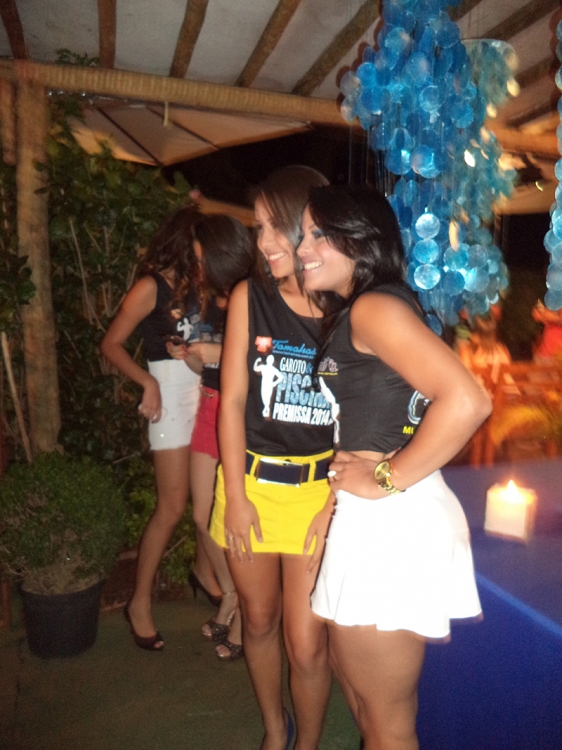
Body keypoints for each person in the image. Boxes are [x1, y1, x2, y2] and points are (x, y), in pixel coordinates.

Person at [297, 184, 492, 750]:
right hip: (374, 518)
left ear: (360, 241)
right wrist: (336, 502)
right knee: (367, 708)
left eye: (318, 234)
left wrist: (385, 480)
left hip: (392, 524)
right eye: (303, 234)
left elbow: (468, 401)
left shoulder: (374, 307)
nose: (303, 248)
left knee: (385, 722)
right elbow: (363, 427)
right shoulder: (364, 308)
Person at [209, 166, 334, 750]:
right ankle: (274, 728)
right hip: (251, 484)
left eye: (274, 227)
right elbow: (232, 402)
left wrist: (332, 506)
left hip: (318, 493)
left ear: (312, 225)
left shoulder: (348, 306)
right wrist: (235, 496)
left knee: (306, 644)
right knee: (257, 620)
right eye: (258, 229)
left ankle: (307, 742)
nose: (263, 243)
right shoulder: (249, 297)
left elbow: (363, 419)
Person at [101, 207, 206, 651]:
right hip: (167, 393)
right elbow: (110, 343)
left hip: (203, 389)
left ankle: (205, 572)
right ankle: (139, 602)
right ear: (185, 241)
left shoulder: (199, 284)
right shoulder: (151, 287)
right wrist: (146, 382)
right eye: (202, 240)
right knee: (172, 505)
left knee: (208, 498)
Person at [170, 214, 255, 661]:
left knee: (231, 520)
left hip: (240, 414)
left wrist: (216, 353)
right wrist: (191, 356)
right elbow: (208, 365)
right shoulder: (209, 299)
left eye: (203, 259)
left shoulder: (254, 295)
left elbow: (263, 353)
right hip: (209, 404)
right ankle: (232, 593)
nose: (198, 268)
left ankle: (243, 609)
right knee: (202, 517)